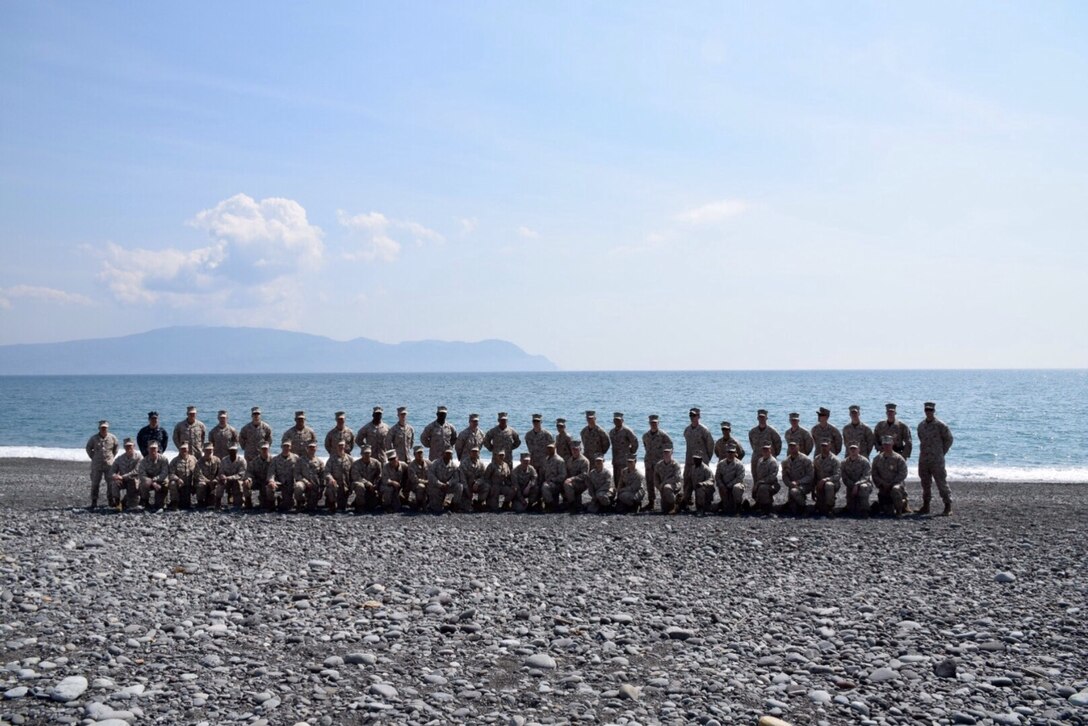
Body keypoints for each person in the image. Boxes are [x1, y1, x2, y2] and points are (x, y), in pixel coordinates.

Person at [917, 402, 954, 515]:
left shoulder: (940, 425)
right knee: (925, 483)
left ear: (934, 411)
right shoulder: (921, 425)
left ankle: (948, 506)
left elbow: (949, 439)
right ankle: (926, 505)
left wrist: (941, 452)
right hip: (924, 459)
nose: (928, 412)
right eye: (927, 410)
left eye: (931, 410)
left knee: (941, 482)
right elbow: (920, 438)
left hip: (937, 460)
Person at [682, 407, 715, 509]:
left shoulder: (704, 430)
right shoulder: (687, 430)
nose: (692, 417)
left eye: (694, 415)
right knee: (687, 481)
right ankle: (686, 502)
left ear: (699, 416)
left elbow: (711, 445)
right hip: (689, 460)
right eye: (691, 415)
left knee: (701, 483)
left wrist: (707, 458)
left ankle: (703, 504)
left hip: (701, 461)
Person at [642, 414, 673, 512]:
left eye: (655, 423)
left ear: (658, 423)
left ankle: (665, 501)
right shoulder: (645, 436)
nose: (653, 425)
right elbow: (645, 447)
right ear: (649, 423)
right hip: (649, 463)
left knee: (661, 483)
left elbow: (670, 446)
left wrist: (666, 459)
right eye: (652, 423)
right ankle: (651, 502)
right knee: (649, 482)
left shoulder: (663, 435)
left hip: (659, 464)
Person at [872, 435, 909, 516]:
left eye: (888, 444)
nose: (886, 446)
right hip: (883, 486)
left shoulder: (898, 458)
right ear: (882, 445)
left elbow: (903, 473)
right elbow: (874, 474)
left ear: (892, 444)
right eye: (885, 444)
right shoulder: (877, 459)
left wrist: (892, 483)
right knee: (887, 511)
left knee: (895, 489)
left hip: (896, 485)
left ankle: (899, 511)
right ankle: (893, 505)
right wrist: (882, 483)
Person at [85, 420, 118, 509]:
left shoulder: (112, 438)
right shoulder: (93, 438)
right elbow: (88, 448)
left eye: (105, 428)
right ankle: (94, 501)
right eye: (102, 428)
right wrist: (93, 457)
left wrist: (111, 457)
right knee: (95, 483)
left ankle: (111, 500)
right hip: (97, 465)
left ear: (108, 428)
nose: (104, 429)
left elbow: (116, 448)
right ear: (99, 428)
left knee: (110, 483)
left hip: (109, 465)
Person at [781, 440, 814, 515]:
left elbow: (810, 476)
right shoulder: (785, 461)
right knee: (792, 508)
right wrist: (789, 483)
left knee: (794, 492)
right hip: (792, 485)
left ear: (798, 447)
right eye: (790, 447)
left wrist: (798, 482)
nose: (792, 448)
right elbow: (784, 476)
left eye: (794, 446)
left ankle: (804, 507)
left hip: (805, 485)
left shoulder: (806, 460)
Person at [748, 410, 782, 484]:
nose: (761, 419)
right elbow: (752, 443)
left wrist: (773, 455)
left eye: (763, 417)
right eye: (760, 417)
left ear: (766, 418)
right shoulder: (752, 432)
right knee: (756, 479)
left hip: (768, 460)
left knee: (769, 481)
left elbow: (778, 444)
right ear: (757, 418)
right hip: (756, 459)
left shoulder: (772, 431)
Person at [108, 438, 142, 511]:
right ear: (124, 447)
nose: (128, 448)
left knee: (132, 505)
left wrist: (122, 477)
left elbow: (136, 471)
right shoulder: (120, 458)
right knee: (114, 484)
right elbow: (112, 470)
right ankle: (117, 503)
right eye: (126, 446)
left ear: (134, 446)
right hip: (122, 481)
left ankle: (124, 501)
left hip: (134, 481)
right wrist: (114, 475)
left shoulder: (139, 457)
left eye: (130, 446)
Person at [840, 443, 873, 516]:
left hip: (864, 484)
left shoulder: (864, 461)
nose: (853, 451)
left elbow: (866, 476)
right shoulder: (844, 463)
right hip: (851, 485)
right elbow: (844, 477)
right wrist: (852, 485)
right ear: (848, 451)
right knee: (851, 509)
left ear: (859, 450)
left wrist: (857, 484)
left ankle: (865, 511)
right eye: (851, 449)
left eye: (855, 449)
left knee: (863, 487)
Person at [812, 439, 841, 515]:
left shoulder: (835, 460)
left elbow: (837, 475)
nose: (824, 448)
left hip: (833, 483)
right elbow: (814, 474)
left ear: (829, 446)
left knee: (829, 485)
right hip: (820, 484)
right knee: (820, 507)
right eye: (822, 446)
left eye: (825, 446)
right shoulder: (817, 459)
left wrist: (825, 480)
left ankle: (830, 507)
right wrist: (813, 488)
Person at [714, 444, 746, 515]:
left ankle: (738, 507)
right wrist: (722, 485)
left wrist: (729, 486)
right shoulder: (721, 463)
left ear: (735, 453)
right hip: (724, 488)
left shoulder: (739, 464)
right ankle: (725, 503)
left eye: (732, 452)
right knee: (727, 508)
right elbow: (717, 476)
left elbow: (740, 478)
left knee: (737, 487)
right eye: (729, 452)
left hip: (734, 487)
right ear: (726, 453)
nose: (730, 454)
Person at [426, 448, 461, 514]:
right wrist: (440, 484)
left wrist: (449, 483)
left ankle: (454, 505)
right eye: (447, 453)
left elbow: (456, 478)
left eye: (450, 454)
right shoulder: (435, 463)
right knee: (436, 509)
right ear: (443, 454)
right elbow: (430, 475)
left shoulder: (454, 465)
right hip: (437, 486)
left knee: (459, 486)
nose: (448, 455)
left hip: (447, 486)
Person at [137, 441, 170, 509]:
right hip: (149, 482)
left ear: (158, 449)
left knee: (159, 505)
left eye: (154, 448)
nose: (153, 450)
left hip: (161, 481)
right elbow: (142, 475)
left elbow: (164, 473)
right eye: (151, 448)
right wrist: (152, 482)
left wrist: (155, 480)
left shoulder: (164, 459)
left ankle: (162, 502)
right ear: (147, 449)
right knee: (143, 484)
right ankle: (145, 501)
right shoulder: (144, 461)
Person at [608, 412, 639, 484]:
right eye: (615, 420)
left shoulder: (627, 431)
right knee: (616, 480)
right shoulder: (611, 432)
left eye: (619, 420)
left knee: (625, 480)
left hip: (625, 461)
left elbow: (635, 443)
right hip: (615, 460)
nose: (617, 422)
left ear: (622, 420)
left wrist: (631, 453)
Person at [296, 441, 326, 511]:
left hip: (315, 485)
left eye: (313, 447)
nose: (312, 449)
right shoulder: (300, 460)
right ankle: (300, 502)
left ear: (316, 449)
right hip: (303, 483)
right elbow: (297, 474)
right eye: (310, 447)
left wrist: (321, 488)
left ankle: (310, 500)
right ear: (307, 448)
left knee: (311, 508)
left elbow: (322, 475)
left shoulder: (320, 461)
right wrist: (306, 482)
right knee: (298, 487)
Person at [270, 441, 300, 512]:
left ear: (290, 447)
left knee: (288, 506)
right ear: (281, 447)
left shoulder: (296, 458)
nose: (286, 448)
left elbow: (299, 470)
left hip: (291, 482)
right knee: (269, 487)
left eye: (288, 446)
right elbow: (271, 472)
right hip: (279, 482)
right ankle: (272, 504)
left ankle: (298, 503)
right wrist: (271, 481)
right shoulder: (275, 459)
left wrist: (298, 481)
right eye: (284, 446)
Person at [324, 439, 354, 512]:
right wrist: (331, 479)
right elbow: (327, 472)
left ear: (345, 447)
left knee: (342, 507)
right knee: (331, 486)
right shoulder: (332, 459)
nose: (341, 447)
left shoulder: (350, 459)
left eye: (342, 445)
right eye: (339, 446)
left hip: (346, 485)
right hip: (335, 484)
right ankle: (332, 503)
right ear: (336, 447)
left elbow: (354, 471)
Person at [349, 446, 382, 512]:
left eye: (368, 453)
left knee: (373, 504)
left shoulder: (376, 463)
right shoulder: (356, 464)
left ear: (371, 453)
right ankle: (360, 506)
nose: (367, 455)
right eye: (365, 453)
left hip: (372, 486)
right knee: (360, 486)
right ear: (361, 454)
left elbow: (380, 475)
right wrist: (367, 483)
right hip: (360, 484)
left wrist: (375, 484)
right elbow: (356, 477)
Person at [455, 446, 487, 513]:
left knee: (486, 487)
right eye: (473, 452)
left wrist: (477, 482)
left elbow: (483, 477)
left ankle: (479, 502)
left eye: (476, 452)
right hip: (466, 486)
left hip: (475, 486)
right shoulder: (464, 463)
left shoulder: (481, 464)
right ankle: (456, 503)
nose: (475, 453)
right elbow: (462, 478)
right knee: (466, 509)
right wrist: (467, 490)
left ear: (479, 453)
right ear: (470, 453)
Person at [562, 441, 591, 512]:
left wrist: (571, 479)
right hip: (572, 481)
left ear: (580, 449)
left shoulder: (584, 461)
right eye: (573, 449)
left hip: (581, 483)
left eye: (576, 450)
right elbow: (567, 472)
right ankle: (567, 499)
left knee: (567, 485)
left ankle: (572, 504)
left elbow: (584, 475)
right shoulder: (570, 459)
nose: (574, 451)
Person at [167, 442, 198, 510]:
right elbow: (170, 474)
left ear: (188, 449)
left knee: (186, 505)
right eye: (182, 449)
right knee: (172, 483)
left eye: (185, 449)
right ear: (179, 449)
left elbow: (198, 472)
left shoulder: (193, 459)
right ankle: (174, 502)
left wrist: (195, 482)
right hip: (179, 485)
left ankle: (203, 501)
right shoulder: (174, 461)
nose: (184, 450)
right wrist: (177, 479)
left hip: (190, 484)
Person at [752, 443, 780, 515]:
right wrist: (757, 484)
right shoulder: (760, 460)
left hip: (772, 484)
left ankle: (768, 508)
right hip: (761, 483)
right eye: (764, 450)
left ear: (770, 451)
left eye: (767, 450)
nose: (765, 451)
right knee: (756, 490)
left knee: (762, 488)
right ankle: (759, 505)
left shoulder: (773, 462)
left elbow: (772, 477)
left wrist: (760, 483)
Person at [245, 442, 274, 510]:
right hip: (258, 481)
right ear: (259, 450)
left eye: (266, 449)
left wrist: (272, 481)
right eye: (263, 449)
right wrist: (248, 479)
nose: (264, 451)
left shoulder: (273, 460)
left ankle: (272, 502)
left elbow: (275, 472)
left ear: (268, 449)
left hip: (268, 481)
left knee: (265, 505)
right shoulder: (254, 461)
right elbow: (249, 472)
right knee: (245, 484)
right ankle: (248, 502)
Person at [653, 448, 683, 514]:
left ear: (671, 454)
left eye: (668, 453)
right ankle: (676, 500)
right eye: (665, 453)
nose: (666, 454)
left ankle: (675, 505)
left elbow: (677, 477)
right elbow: (656, 478)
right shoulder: (659, 465)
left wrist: (664, 483)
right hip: (663, 487)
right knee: (664, 509)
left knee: (667, 487)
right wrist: (658, 487)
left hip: (675, 484)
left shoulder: (675, 464)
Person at [218, 444, 247, 510]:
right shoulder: (224, 460)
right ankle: (217, 501)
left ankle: (241, 500)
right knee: (220, 484)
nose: (232, 452)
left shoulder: (242, 461)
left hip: (237, 481)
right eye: (231, 451)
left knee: (238, 504)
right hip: (226, 480)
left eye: (234, 451)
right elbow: (221, 471)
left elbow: (241, 475)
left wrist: (228, 478)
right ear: (228, 451)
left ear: (237, 451)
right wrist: (222, 476)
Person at [540, 442, 567, 512]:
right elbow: (543, 472)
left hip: (557, 484)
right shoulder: (546, 459)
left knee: (545, 487)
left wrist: (552, 480)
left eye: (551, 448)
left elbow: (563, 475)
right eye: (548, 448)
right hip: (548, 482)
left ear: (555, 448)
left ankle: (551, 505)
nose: (549, 450)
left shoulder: (559, 460)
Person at [194, 442, 221, 508]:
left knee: (220, 485)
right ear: (203, 450)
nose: (209, 451)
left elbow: (220, 472)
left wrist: (215, 479)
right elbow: (198, 474)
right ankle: (200, 501)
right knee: (201, 485)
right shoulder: (199, 461)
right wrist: (208, 481)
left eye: (210, 450)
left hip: (214, 481)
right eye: (207, 450)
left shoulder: (217, 460)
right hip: (204, 481)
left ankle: (217, 501)